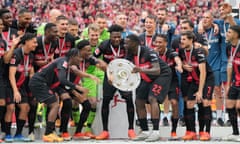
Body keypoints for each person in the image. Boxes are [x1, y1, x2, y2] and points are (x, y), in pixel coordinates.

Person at [124, 34, 172, 142]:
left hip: (162, 75)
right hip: (147, 77)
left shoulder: (149, 52)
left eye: (127, 43)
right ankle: (145, 131)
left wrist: (140, 70)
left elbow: (157, 70)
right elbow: (126, 70)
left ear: (135, 43)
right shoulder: (129, 54)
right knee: (139, 101)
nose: (125, 45)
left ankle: (155, 132)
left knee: (152, 98)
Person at [29, 48, 82, 142]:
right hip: (39, 83)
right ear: (73, 56)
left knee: (54, 103)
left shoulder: (64, 62)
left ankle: (50, 131)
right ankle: (48, 133)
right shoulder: (63, 62)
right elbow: (62, 80)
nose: (80, 60)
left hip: (43, 84)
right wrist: (76, 87)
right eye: (79, 57)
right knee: (55, 105)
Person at [94, 24, 136, 140]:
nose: (117, 39)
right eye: (114, 37)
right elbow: (93, 58)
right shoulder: (104, 45)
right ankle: (105, 131)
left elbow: (133, 59)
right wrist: (104, 67)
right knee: (106, 101)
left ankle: (131, 130)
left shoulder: (126, 45)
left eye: (119, 37)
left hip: (123, 78)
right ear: (110, 36)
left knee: (129, 99)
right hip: (110, 78)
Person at [179, 31, 214, 141]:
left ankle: (206, 132)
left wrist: (199, 91)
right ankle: (192, 131)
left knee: (205, 102)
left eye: (184, 39)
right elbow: (177, 60)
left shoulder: (199, 52)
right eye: (181, 39)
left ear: (191, 40)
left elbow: (203, 72)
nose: (181, 41)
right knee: (189, 103)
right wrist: (183, 66)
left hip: (206, 79)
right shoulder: (181, 51)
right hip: (194, 80)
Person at [5, 33, 37, 142]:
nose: (36, 44)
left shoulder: (31, 56)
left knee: (25, 107)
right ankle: (7, 134)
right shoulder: (16, 54)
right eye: (34, 42)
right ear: (26, 42)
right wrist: (15, 91)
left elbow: (31, 72)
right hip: (10, 84)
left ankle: (18, 134)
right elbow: (11, 75)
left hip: (22, 85)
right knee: (10, 108)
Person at [153, 34, 183, 139]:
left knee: (174, 103)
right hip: (158, 81)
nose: (158, 44)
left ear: (166, 43)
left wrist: (179, 65)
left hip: (171, 81)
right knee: (154, 102)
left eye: (160, 42)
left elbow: (177, 59)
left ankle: (174, 131)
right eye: (156, 42)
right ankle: (155, 130)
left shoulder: (170, 52)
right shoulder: (152, 53)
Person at [200, 11, 223, 126]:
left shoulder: (216, 30)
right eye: (203, 18)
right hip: (203, 66)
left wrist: (215, 25)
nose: (205, 19)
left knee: (217, 90)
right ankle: (205, 114)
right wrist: (200, 24)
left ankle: (219, 116)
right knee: (203, 91)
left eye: (207, 18)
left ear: (212, 19)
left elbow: (222, 22)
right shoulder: (199, 31)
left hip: (216, 65)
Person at [222, 25, 240, 142]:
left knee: (239, 106)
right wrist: (228, 84)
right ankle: (235, 133)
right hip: (235, 82)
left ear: (236, 34)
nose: (227, 34)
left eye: (229, 32)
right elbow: (230, 66)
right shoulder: (228, 48)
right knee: (229, 106)